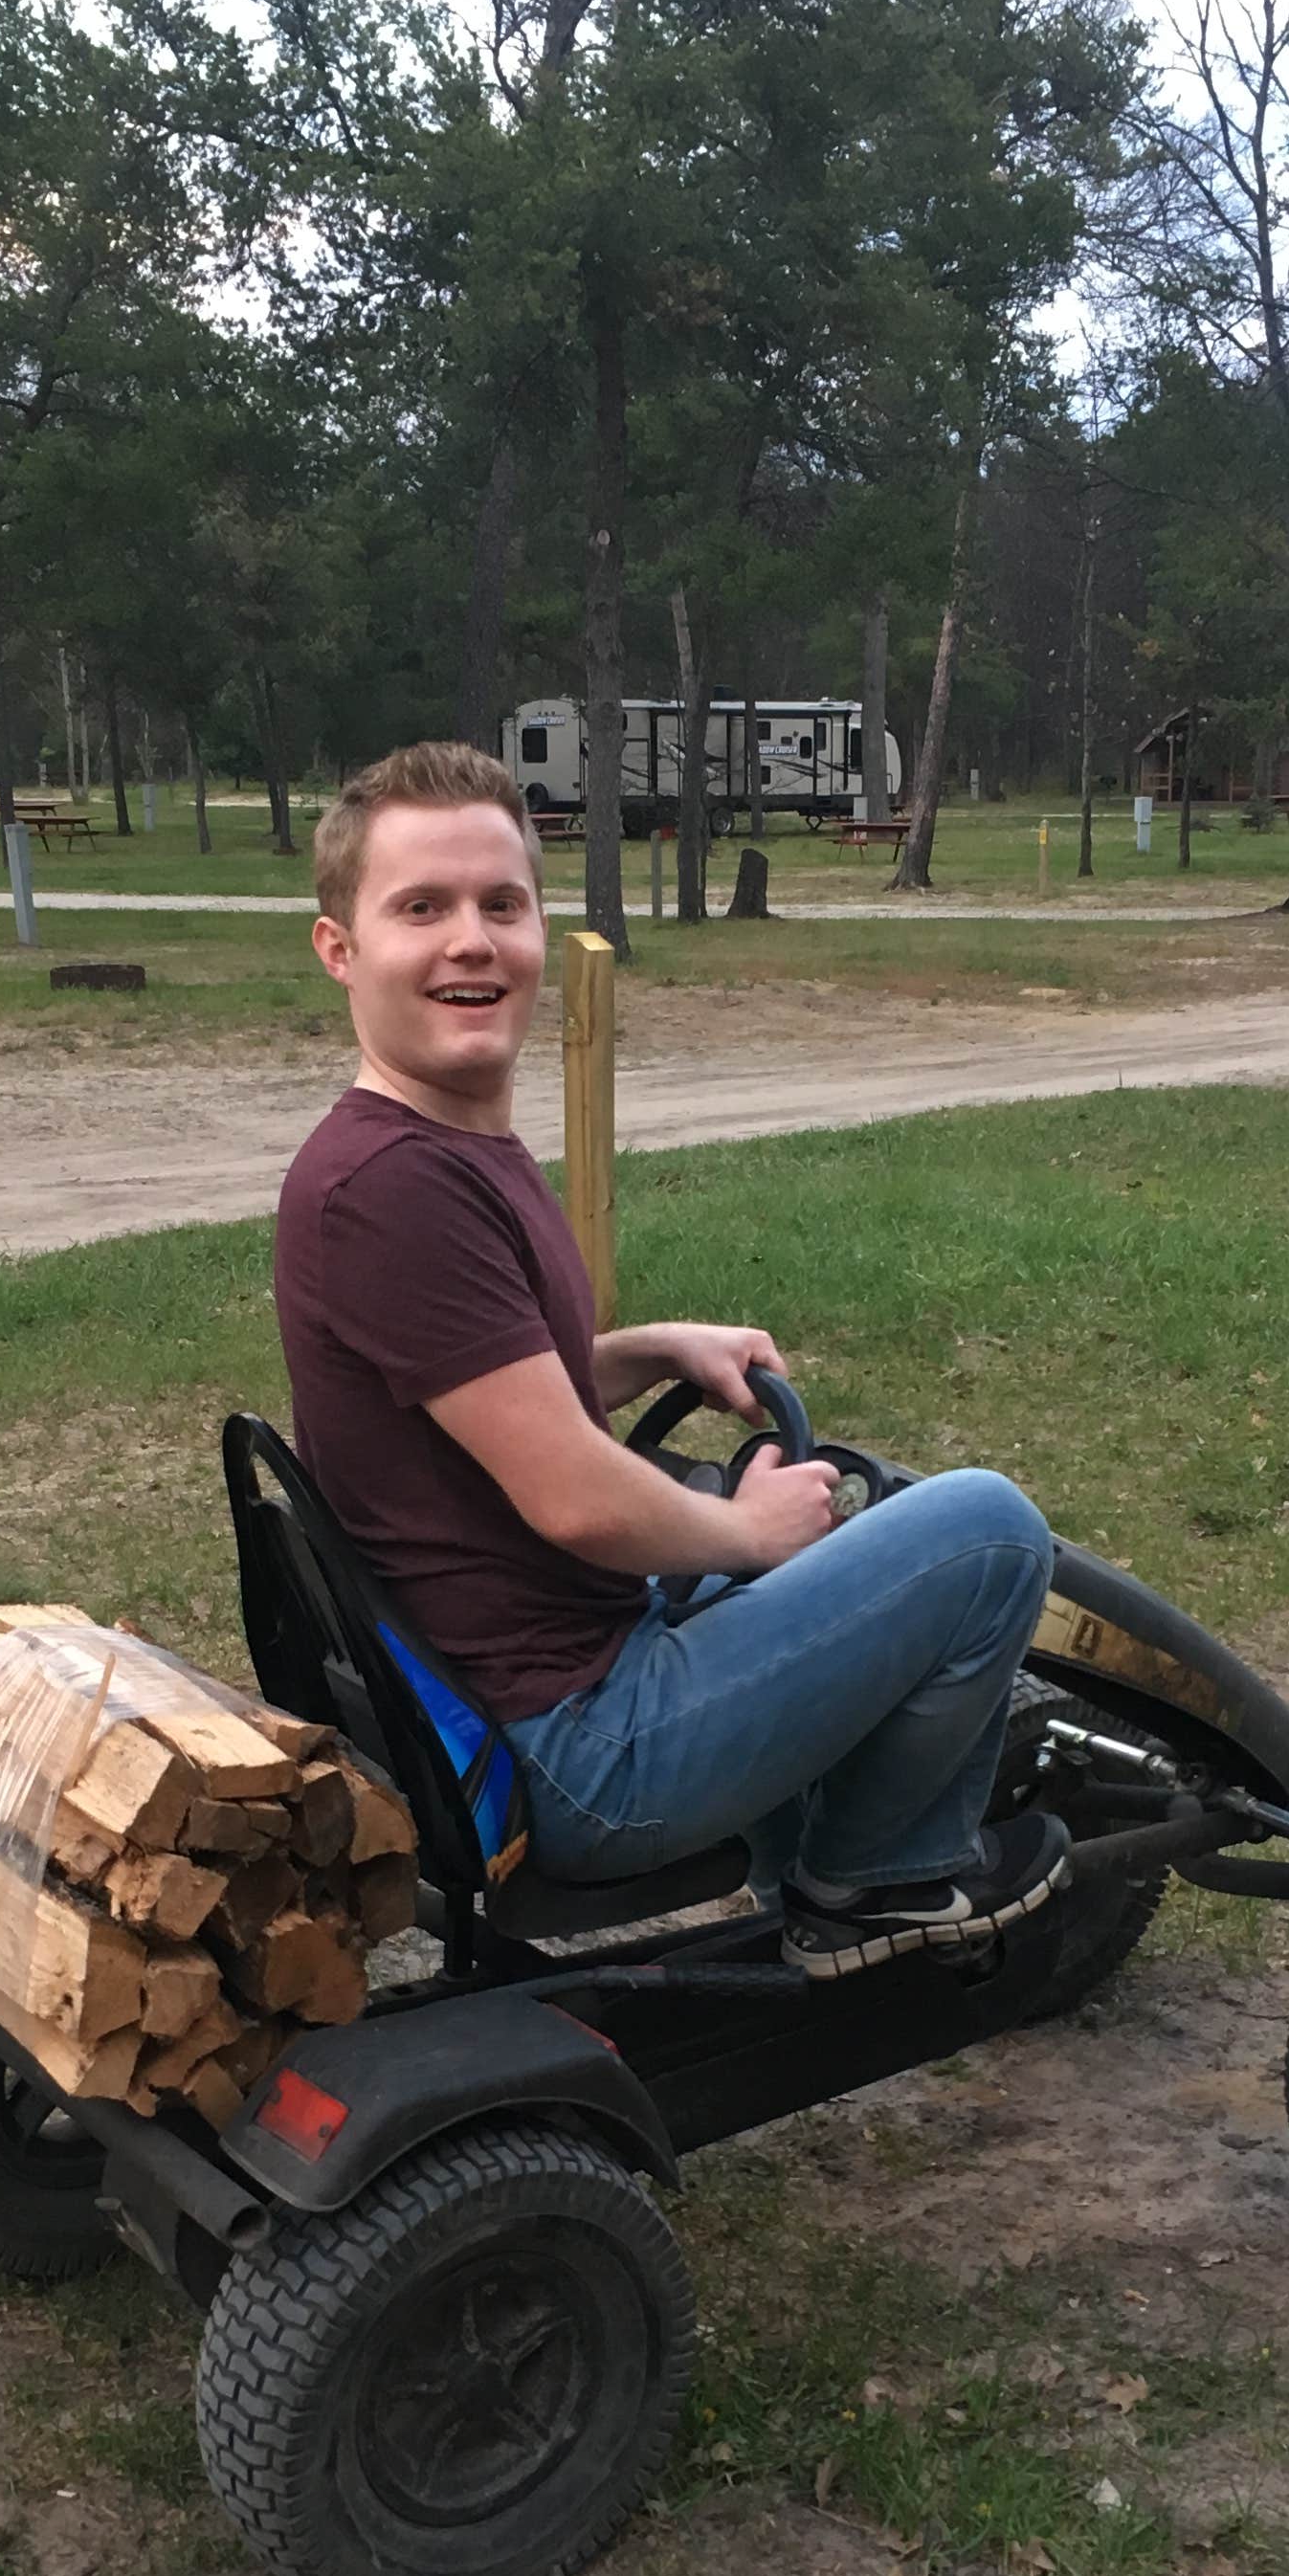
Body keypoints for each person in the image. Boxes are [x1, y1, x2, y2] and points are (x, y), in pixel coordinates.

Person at [271, 739, 1068, 1977]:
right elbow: (574, 1497)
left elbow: (488, 1395)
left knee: (876, 1503)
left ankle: (825, 1813)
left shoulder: (426, 1144)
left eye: (502, 904)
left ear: (544, 929)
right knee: (988, 1536)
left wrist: (647, 1351)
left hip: (540, 1679)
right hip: (584, 1750)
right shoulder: (395, 1191)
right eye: (419, 908)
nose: (470, 940)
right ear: (341, 950)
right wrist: (750, 1537)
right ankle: (869, 1881)